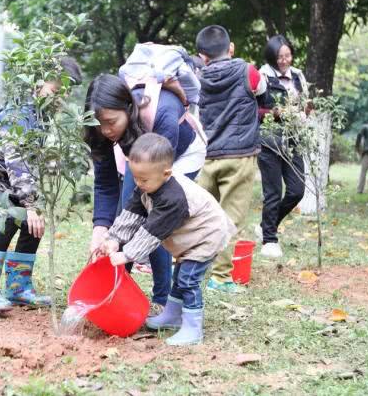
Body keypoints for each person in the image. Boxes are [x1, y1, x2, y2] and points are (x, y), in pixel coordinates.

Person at [0, 57, 82, 312]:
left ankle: (18, 288)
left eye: (65, 93)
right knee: (11, 215)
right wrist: (29, 204)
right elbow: (17, 161)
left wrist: (35, 204)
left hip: (3, 180)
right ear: (38, 84)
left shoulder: (40, 117)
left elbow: (31, 164)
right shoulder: (20, 114)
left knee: (32, 222)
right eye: (56, 89)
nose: (60, 97)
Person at [85, 73, 207, 315]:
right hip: (140, 151)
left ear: (128, 108)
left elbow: (153, 210)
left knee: (156, 219)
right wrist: (101, 231)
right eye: (99, 124)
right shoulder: (103, 130)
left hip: (178, 154)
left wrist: (124, 252)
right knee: (125, 214)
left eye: (111, 122)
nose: (106, 130)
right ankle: (114, 289)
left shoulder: (162, 113)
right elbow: (106, 184)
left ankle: (163, 300)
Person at [98, 133, 236, 346]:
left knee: (188, 280)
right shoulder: (147, 186)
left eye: (143, 179)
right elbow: (132, 214)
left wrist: (126, 254)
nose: (138, 183)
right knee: (180, 275)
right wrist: (114, 239)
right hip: (190, 238)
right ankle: (172, 315)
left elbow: (151, 232)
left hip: (206, 235)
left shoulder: (172, 198)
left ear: (166, 173)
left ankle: (193, 327)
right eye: (135, 177)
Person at [195, 25, 266, 292]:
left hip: (208, 156)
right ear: (231, 48)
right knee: (228, 219)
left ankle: (187, 266)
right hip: (239, 156)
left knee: (202, 216)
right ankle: (221, 278)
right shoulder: (248, 71)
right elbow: (262, 92)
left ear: (202, 56)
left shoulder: (198, 76)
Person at [254, 35, 309, 259]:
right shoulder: (262, 76)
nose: (285, 60)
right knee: (273, 192)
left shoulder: (298, 76)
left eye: (287, 55)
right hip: (269, 141)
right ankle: (269, 239)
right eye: (280, 57)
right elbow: (254, 110)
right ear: (271, 58)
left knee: (297, 190)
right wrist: (274, 113)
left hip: (293, 139)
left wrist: (305, 112)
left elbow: (305, 103)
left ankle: (267, 224)